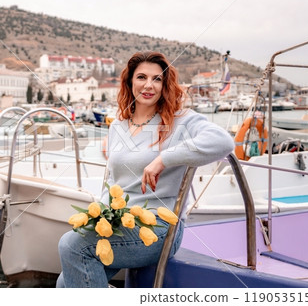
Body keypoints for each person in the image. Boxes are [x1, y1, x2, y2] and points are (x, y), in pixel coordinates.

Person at [56, 51, 234, 288]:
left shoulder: (180, 120)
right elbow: (114, 180)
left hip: (158, 228)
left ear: (165, 84)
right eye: (141, 77)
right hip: (120, 224)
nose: (149, 85)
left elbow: (223, 142)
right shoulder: (119, 125)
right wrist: (98, 217)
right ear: (130, 82)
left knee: (71, 246)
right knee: (64, 284)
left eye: (157, 79)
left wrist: (164, 159)